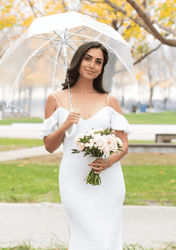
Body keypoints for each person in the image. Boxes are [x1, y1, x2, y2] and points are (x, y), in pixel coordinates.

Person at [39, 41, 133, 250]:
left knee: (107, 235)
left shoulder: (110, 101)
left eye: (98, 61)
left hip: (108, 180)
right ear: (78, 61)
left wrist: (108, 162)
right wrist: (64, 126)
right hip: (74, 179)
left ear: (102, 68)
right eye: (88, 58)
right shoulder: (56, 99)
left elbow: (123, 144)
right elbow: (49, 146)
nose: (92, 65)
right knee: (84, 231)